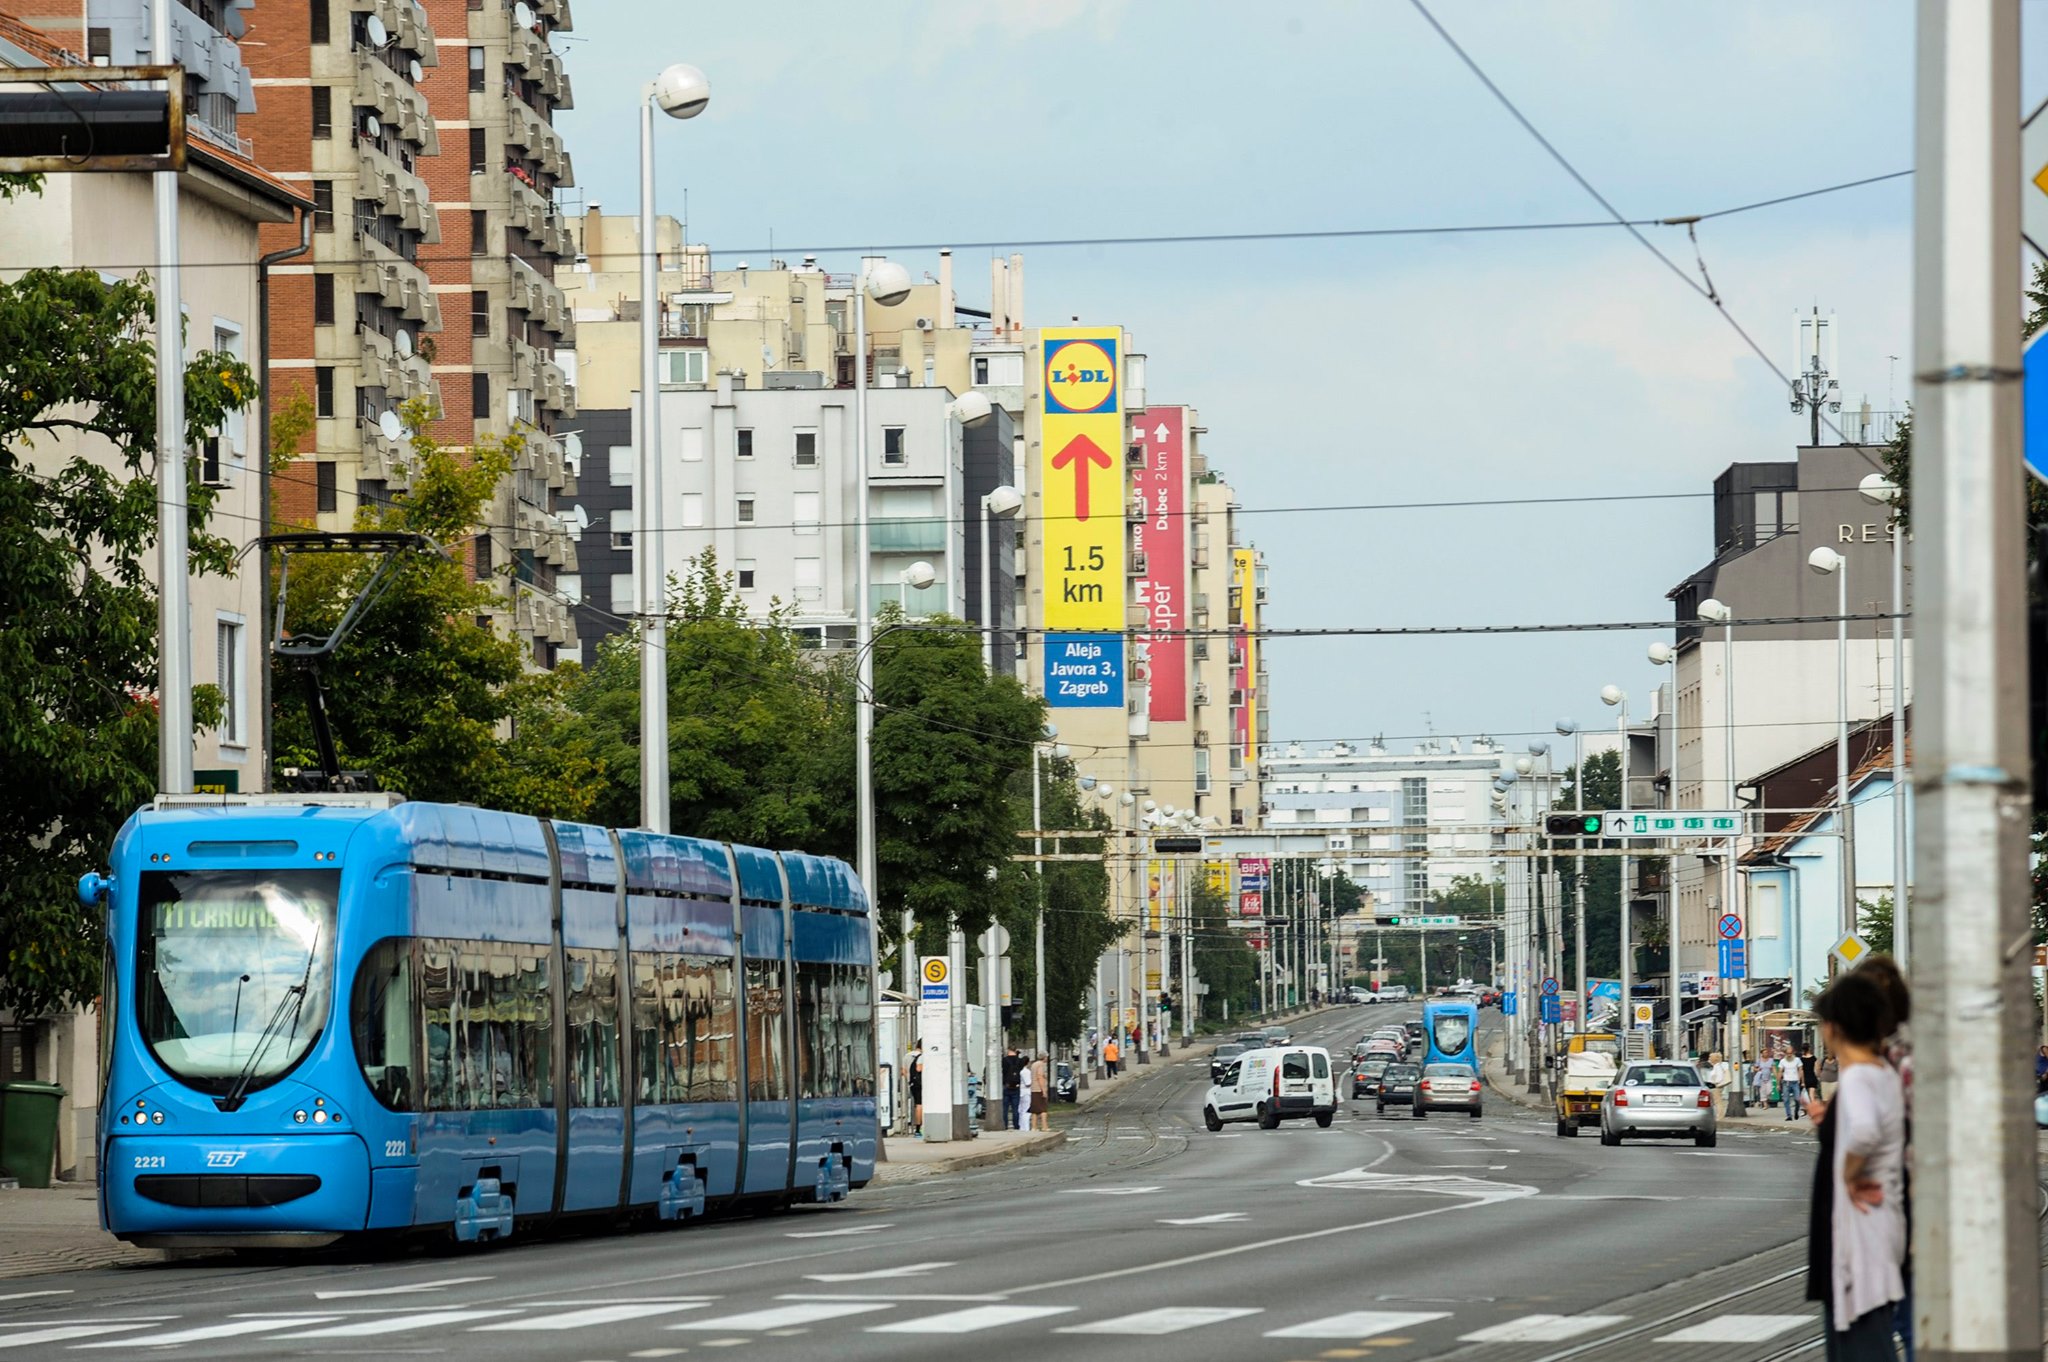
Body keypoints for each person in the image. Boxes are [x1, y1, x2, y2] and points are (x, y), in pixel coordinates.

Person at [1806, 970, 1906, 1361]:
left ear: (1835, 1027)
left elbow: (1864, 1132)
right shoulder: (1882, 1073)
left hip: (1861, 1231)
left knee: (1862, 1343)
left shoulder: (1860, 1076)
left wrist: (1848, 1173)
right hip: (1876, 1223)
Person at [1001, 1046, 1026, 1130]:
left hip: (1006, 1085)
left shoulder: (1004, 1060)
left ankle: (1005, 1125)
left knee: (1005, 1108)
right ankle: (1016, 1125)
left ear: (1008, 1050)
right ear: (1016, 1050)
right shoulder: (1020, 1061)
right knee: (1015, 1108)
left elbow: (1003, 1071)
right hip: (1016, 1086)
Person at [1029, 1051, 1051, 1132]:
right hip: (1039, 1089)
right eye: (1046, 1057)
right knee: (1043, 1109)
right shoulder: (1041, 1065)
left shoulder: (1034, 1065)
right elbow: (1040, 1077)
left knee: (1034, 1109)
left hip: (1033, 1089)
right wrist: (1044, 1091)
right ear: (1044, 1057)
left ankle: (1034, 1127)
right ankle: (1044, 1126)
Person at [908, 1047, 924, 1138]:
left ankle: (918, 1129)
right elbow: (919, 1068)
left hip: (914, 1084)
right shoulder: (922, 1057)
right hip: (920, 1085)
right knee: (920, 1105)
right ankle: (919, 1129)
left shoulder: (909, 1056)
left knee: (918, 1105)